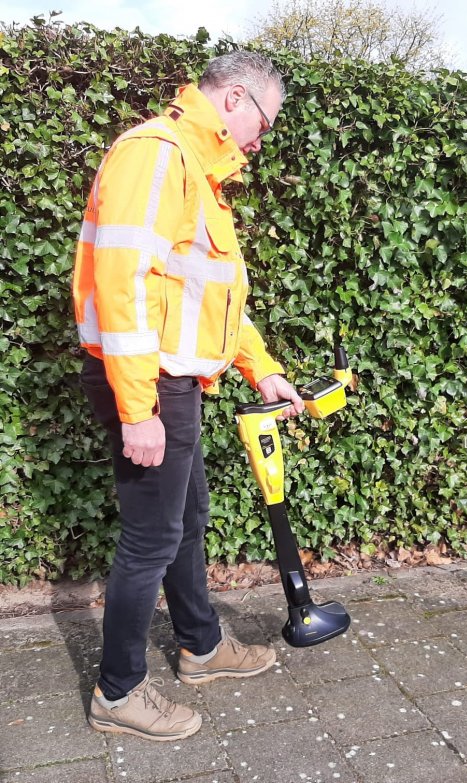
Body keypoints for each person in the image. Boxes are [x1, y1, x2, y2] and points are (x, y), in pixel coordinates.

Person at [72, 51, 304, 742]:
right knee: (150, 538)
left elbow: (212, 301)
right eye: (263, 122)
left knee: (188, 516)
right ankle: (117, 691)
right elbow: (125, 286)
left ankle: (201, 646)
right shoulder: (157, 155)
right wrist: (137, 408)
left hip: (172, 379)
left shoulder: (199, 175)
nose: (261, 140)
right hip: (147, 380)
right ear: (233, 100)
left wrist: (259, 367)